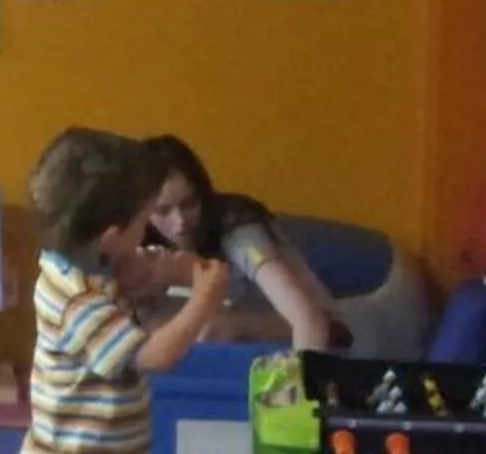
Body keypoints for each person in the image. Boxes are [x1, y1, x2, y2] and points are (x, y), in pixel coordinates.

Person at [21, 127, 229, 454]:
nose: (147, 238)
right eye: (142, 222)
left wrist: (179, 271)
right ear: (112, 236)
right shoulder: (77, 299)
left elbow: (159, 264)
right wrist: (203, 301)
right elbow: (156, 356)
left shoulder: (92, 262)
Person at [138, 134, 350, 351]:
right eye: (163, 210)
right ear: (142, 211)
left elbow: (307, 319)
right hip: (238, 348)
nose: (180, 221)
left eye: (189, 203)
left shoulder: (237, 230)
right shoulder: (141, 244)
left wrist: (298, 381)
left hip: (323, 332)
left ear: (202, 194)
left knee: (214, 328)